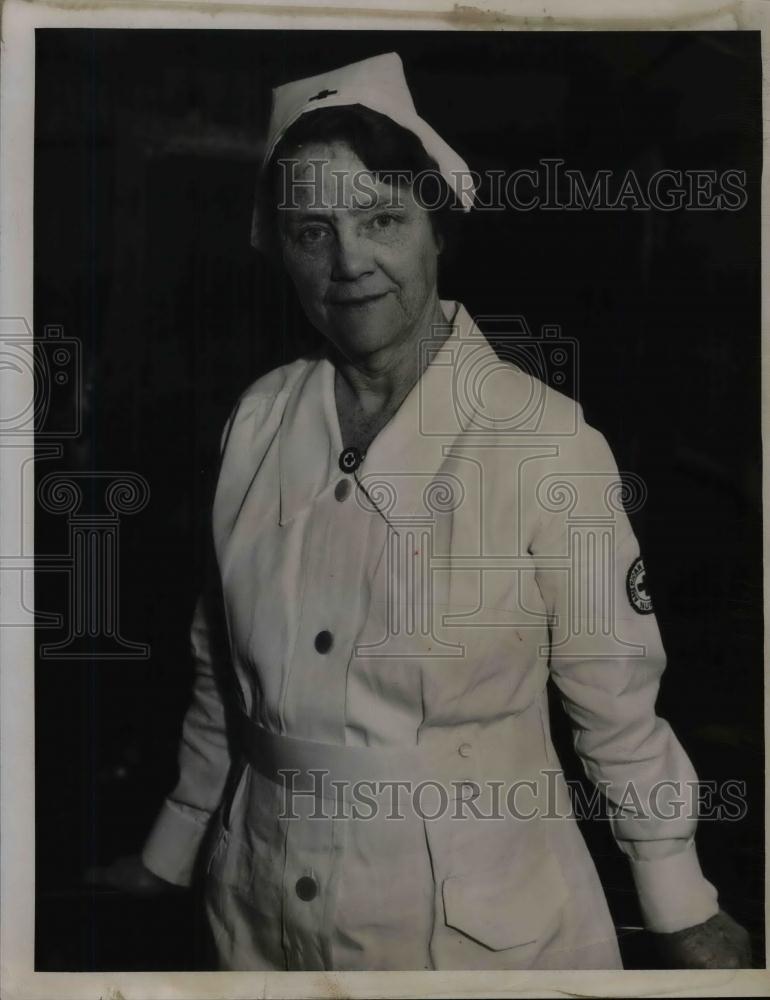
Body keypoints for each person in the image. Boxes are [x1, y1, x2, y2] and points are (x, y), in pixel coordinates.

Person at [99, 51, 751, 971]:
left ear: (436, 229)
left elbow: (616, 700)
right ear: (274, 245)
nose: (350, 261)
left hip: (469, 936)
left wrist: (679, 901)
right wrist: (174, 846)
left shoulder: (542, 438)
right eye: (311, 230)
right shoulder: (257, 419)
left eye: (382, 219)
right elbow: (220, 671)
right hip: (254, 916)